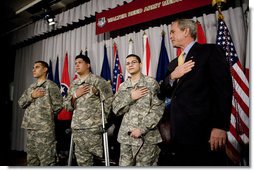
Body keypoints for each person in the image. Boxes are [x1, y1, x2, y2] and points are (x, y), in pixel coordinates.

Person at [159, 19, 233, 166]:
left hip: (204, 131)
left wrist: (220, 126)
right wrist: (173, 76)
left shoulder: (210, 51)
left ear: (186, 31)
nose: (170, 36)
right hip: (179, 132)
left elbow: (223, 90)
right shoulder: (174, 64)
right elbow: (163, 92)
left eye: (173, 32)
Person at [112, 54, 165, 166]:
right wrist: (131, 97)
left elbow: (158, 108)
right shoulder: (123, 86)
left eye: (134, 62)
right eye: (128, 63)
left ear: (140, 64)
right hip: (126, 138)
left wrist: (142, 129)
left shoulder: (151, 83)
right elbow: (116, 109)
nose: (130, 65)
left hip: (147, 138)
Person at [63, 53, 113, 166]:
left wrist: (102, 120)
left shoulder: (98, 81)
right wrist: (75, 95)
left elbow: (109, 101)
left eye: (80, 62)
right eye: (75, 63)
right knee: (82, 162)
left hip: (93, 128)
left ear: (88, 65)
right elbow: (66, 106)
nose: (76, 65)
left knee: (97, 160)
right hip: (78, 128)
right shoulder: (74, 84)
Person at [18, 60, 63, 166]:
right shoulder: (31, 87)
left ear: (45, 69)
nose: (34, 69)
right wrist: (32, 96)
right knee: (32, 160)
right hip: (31, 128)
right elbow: (21, 103)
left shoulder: (51, 86)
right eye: (33, 67)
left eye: (37, 67)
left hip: (45, 130)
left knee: (47, 160)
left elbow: (59, 105)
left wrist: (46, 118)